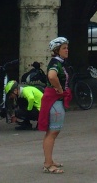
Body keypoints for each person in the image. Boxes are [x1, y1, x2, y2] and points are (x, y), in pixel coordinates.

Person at [38, 36, 71, 174]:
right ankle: (48, 164)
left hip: (55, 101)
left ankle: (49, 160)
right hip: (55, 101)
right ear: (57, 50)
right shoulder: (55, 63)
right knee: (53, 132)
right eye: (64, 48)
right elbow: (52, 76)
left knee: (51, 132)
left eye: (67, 47)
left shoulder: (58, 62)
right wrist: (59, 88)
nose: (67, 50)